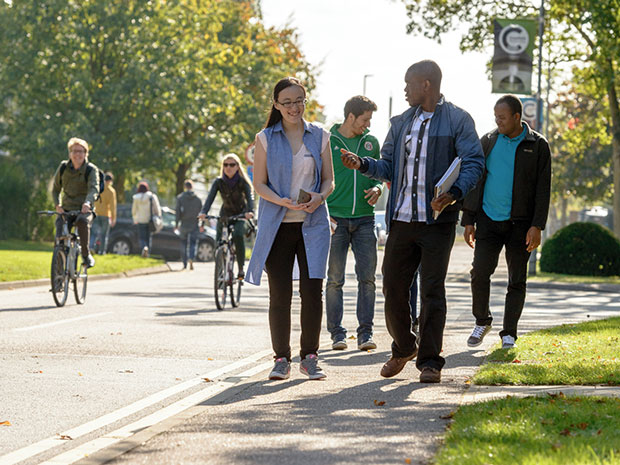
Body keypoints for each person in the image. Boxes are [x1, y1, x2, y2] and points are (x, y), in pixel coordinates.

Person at [340, 60, 484, 383]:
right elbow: (388, 165)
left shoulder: (458, 120)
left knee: (432, 290)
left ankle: (430, 361)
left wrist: (454, 193)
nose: (405, 89)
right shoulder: (401, 122)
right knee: (392, 286)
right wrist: (362, 164)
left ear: (427, 85)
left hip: (437, 220)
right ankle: (405, 346)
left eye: (409, 84)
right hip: (402, 220)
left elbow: (474, 162)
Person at [245, 76, 334, 381]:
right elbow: (258, 184)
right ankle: (281, 358)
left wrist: (319, 198)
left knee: (312, 292)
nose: (294, 107)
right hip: (277, 225)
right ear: (276, 105)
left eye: (299, 100)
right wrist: (280, 199)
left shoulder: (320, 135)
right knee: (280, 295)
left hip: (314, 224)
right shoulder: (265, 138)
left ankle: (310, 357)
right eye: (287, 102)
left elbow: (328, 180)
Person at [462, 94, 551, 349]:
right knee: (479, 273)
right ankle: (482, 320)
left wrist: (537, 225)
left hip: (521, 225)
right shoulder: (488, 141)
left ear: (516, 117)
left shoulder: (537, 145)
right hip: (488, 220)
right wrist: (469, 219)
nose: (497, 121)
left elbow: (543, 189)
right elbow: (475, 179)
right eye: (495, 116)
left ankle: (509, 332)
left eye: (502, 117)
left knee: (517, 279)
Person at [326, 95, 383, 351]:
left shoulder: (371, 142)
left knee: (367, 278)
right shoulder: (328, 141)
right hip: (334, 219)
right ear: (351, 117)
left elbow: (379, 174)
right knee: (335, 279)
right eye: (365, 119)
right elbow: (317, 177)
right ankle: (337, 334)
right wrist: (322, 211)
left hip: (364, 219)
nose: (367, 125)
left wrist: (379, 188)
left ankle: (365, 334)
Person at [198, 154, 254, 278]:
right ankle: (219, 271)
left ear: (237, 167)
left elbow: (250, 198)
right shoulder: (219, 182)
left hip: (241, 215)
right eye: (225, 165)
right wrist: (203, 212)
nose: (228, 167)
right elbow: (210, 198)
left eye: (232, 165)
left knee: (238, 234)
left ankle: (240, 269)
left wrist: (250, 211)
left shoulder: (242, 182)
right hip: (225, 215)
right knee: (219, 242)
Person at [52, 137, 99, 268]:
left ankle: (85, 254)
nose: (77, 154)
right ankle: (59, 271)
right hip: (66, 208)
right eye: (74, 151)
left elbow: (93, 189)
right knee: (60, 226)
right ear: (70, 153)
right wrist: (58, 205)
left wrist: (88, 203)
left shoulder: (91, 170)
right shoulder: (63, 167)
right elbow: (55, 190)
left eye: (80, 151)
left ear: (85, 153)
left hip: (84, 209)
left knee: (83, 222)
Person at [175, 180, 203, 270]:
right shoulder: (198, 199)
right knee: (193, 243)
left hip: (184, 224)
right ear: (192, 187)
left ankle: (184, 263)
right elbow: (202, 212)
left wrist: (176, 224)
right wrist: (201, 224)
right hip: (194, 224)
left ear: (185, 187)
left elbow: (178, 212)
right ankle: (191, 258)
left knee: (183, 243)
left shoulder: (180, 198)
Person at [131, 181, 161, 258]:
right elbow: (157, 208)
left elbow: (134, 210)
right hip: (150, 220)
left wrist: (135, 219)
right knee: (148, 238)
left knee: (142, 237)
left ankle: (144, 247)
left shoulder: (136, 197)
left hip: (140, 220)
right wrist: (158, 216)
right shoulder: (151, 196)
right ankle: (147, 252)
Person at [91, 172, 117, 254]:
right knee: (104, 235)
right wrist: (113, 218)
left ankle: (91, 247)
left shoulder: (98, 188)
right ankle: (102, 251)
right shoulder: (111, 191)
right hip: (106, 215)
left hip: (96, 213)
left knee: (94, 233)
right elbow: (113, 206)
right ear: (110, 181)